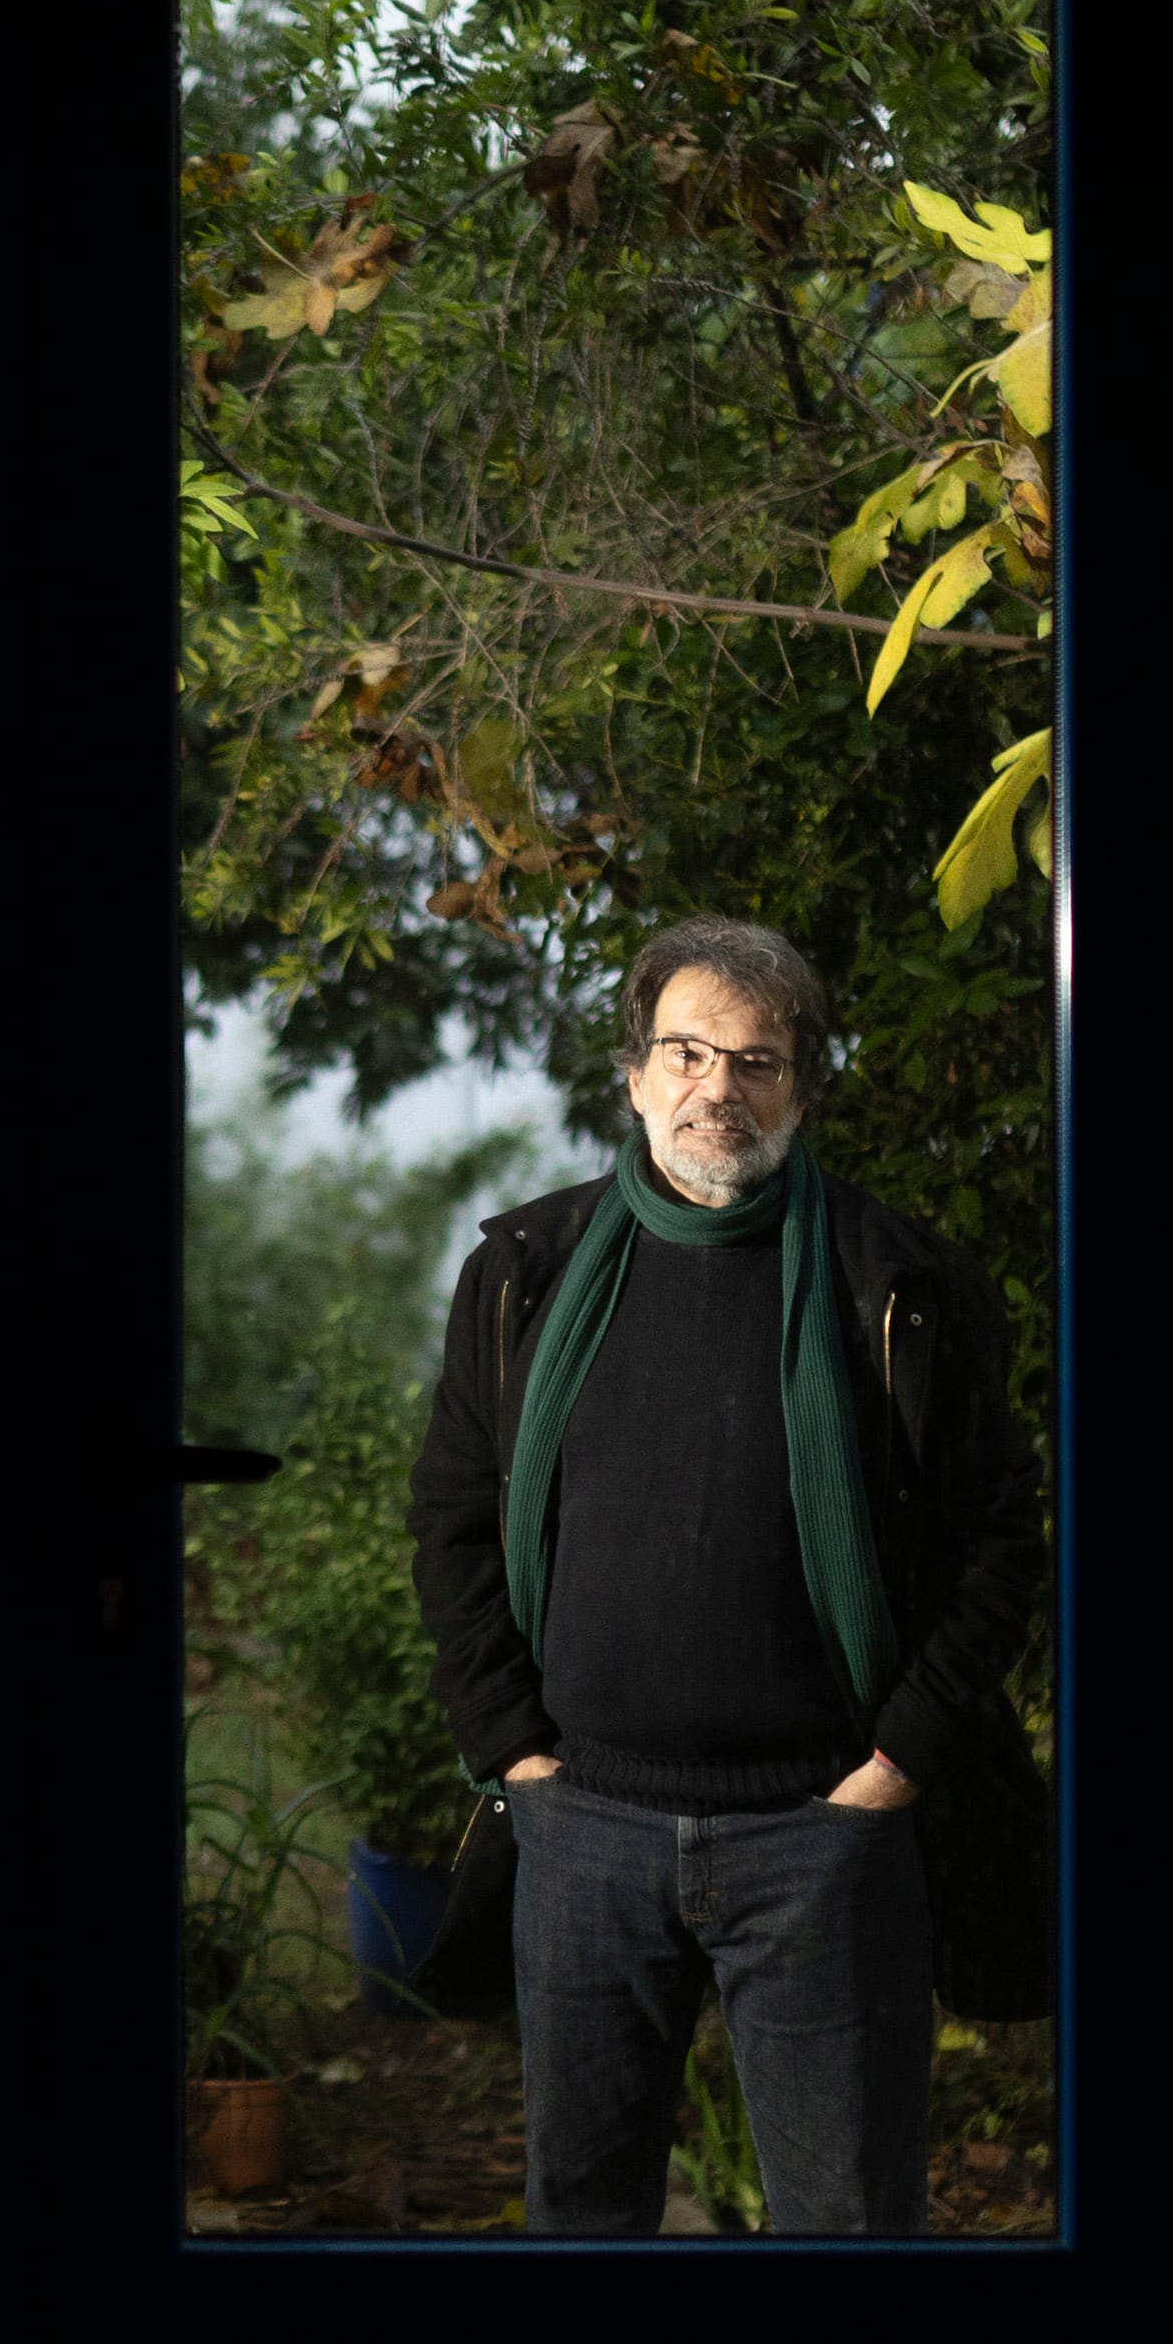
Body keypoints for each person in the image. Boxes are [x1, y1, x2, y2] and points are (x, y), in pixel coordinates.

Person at [405, 914, 1040, 2235]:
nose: (717, 1088)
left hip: (825, 1834)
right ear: (634, 1074)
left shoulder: (903, 1284)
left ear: (802, 1085)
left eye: (755, 1062)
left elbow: (998, 1539)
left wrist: (896, 1767)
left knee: (847, 2220)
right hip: (582, 1828)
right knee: (585, 2211)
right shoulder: (525, 1274)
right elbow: (453, 1522)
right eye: (687, 1052)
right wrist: (513, 1751)